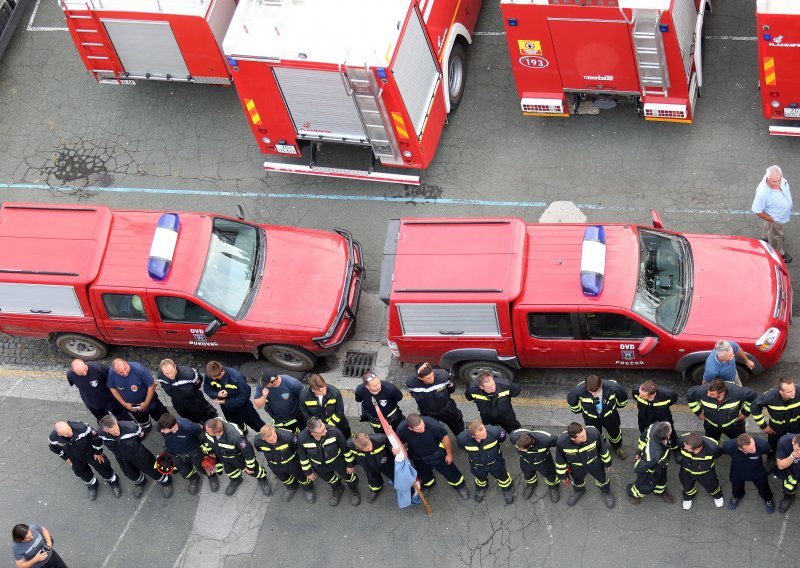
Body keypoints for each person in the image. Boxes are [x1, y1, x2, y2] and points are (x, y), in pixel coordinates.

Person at [395, 413, 470, 499]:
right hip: (418, 458)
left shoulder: (433, 424)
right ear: (410, 428)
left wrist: (449, 454)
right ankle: (428, 484)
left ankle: (460, 486)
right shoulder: (402, 429)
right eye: (418, 429)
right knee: (424, 474)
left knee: (450, 471)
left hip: (437, 454)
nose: (422, 429)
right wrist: (400, 452)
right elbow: (401, 443)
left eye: (423, 426)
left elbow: (445, 438)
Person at [98, 414, 173, 498]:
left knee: (151, 468)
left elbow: (141, 434)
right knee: (130, 473)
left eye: (116, 427)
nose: (116, 431)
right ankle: (140, 482)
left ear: (116, 421)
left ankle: (166, 482)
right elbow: (97, 442)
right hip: (121, 458)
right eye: (112, 430)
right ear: (105, 430)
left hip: (138, 454)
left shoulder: (131, 427)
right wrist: (97, 452)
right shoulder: (101, 434)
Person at [48, 420, 120, 501]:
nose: (70, 433)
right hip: (74, 457)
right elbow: (55, 449)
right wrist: (66, 458)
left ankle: (113, 482)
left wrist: (98, 452)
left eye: (69, 430)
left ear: (68, 425)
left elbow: (96, 438)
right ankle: (92, 485)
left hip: (90, 452)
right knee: (81, 471)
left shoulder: (82, 428)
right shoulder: (53, 439)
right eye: (66, 433)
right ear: (59, 434)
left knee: (103, 465)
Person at [297, 418, 360, 507]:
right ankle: (338, 488)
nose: (325, 431)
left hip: (338, 461)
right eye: (322, 431)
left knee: (349, 476)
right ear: (313, 433)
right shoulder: (302, 438)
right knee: (330, 479)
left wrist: (350, 465)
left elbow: (345, 449)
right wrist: (308, 473)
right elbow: (303, 457)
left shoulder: (334, 432)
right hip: (319, 466)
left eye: (324, 427)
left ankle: (353, 489)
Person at [201, 418, 270, 497]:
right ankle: (236, 480)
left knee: (254, 471)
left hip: (237, 458)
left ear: (217, 433)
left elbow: (248, 452)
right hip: (224, 457)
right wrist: (210, 452)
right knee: (230, 471)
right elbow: (209, 440)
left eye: (208, 432)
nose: (206, 432)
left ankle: (262, 478)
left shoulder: (235, 437)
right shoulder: (211, 424)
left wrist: (250, 467)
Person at [567, 375, 629, 459]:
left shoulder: (613, 387)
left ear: (601, 385)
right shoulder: (578, 391)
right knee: (596, 434)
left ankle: (617, 447)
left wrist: (612, 408)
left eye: (596, 390)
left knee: (615, 432)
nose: (594, 393)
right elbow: (573, 405)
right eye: (590, 391)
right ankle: (601, 447)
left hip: (610, 416)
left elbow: (623, 400)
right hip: (591, 419)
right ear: (586, 387)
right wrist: (584, 412)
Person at [554, 423, 615, 509]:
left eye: (584, 433)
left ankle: (606, 492)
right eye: (581, 437)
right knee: (577, 481)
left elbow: (603, 449)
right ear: (573, 438)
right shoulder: (561, 442)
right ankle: (579, 490)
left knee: (602, 479)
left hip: (594, 463)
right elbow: (560, 460)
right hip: (576, 467)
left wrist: (608, 463)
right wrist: (563, 475)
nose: (585, 437)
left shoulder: (593, 433)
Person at [158, 412, 219, 494]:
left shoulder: (187, 426)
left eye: (164, 430)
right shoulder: (161, 426)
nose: (161, 431)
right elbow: (160, 429)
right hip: (174, 454)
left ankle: (212, 476)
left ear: (173, 427)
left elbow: (200, 428)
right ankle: (194, 479)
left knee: (203, 466)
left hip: (194, 452)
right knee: (184, 470)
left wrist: (208, 450)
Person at [456, 420, 515, 504]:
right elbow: (463, 447)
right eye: (482, 435)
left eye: (484, 431)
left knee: (503, 476)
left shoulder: (496, 432)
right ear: (473, 436)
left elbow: (502, 439)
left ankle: (507, 489)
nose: (485, 434)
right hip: (477, 465)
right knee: (480, 478)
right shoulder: (462, 439)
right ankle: (481, 488)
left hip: (495, 463)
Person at [254, 424, 316, 503]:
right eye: (270, 440)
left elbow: (299, 449)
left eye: (274, 437)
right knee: (285, 479)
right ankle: (291, 487)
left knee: (302, 477)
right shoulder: (257, 441)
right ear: (263, 438)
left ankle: (308, 489)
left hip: (292, 463)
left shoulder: (288, 436)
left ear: (274, 430)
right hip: (275, 465)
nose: (274, 441)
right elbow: (259, 449)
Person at [106, 358, 168, 434]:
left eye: (125, 369)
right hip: (133, 406)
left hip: (151, 401)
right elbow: (112, 388)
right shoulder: (112, 373)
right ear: (115, 371)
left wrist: (146, 403)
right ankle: (147, 426)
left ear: (126, 363)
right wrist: (124, 404)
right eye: (121, 372)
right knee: (142, 419)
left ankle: (167, 428)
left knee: (161, 416)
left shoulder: (139, 370)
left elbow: (151, 386)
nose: (125, 373)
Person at [203, 361, 265, 435]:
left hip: (243, 407)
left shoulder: (236, 378)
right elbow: (207, 389)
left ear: (222, 372)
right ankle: (243, 433)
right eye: (212, 378)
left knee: (255, 423)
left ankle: (264, 435)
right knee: (234, 423)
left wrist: (226, 402)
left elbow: (244, 396)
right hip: (226, 408)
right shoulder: (210, 375)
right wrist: (217, 394)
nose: (213, 379)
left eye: (215, 378)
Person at [687, 379, 757, 441]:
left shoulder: (737, 392)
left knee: (739, 441)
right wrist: (698, 412)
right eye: (708, 392)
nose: (708, 395)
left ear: (721, 393)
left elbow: (752, 397)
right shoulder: (701, 391)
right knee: (712, 443)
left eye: (711, 394)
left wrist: (745, 413)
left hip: (734, 426)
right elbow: (690, 396)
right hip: (711, 426)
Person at [406, 362, 464, 435]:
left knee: (457, 423)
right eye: (428, 378)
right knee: (430, 430)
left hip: (446, 408)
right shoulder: (412, 384)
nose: (432, 379)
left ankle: (461, 437)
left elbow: (451, 388)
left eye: (432, 375)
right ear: (420, 378)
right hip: (428, 413)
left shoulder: (443, 376)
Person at [721, 433, 775, 513]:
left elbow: (768, 451)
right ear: (741, 448)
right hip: (737, 471)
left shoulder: (763, 445)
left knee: (764, 487)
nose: (754, 449)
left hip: (758, 472)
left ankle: (768, 500)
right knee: (736, 486)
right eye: (750, 449)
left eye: (754, 445)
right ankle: (736, 496)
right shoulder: (728, 446)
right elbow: (724, 451)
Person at [751, 377, 800, 460]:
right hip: (777, 426)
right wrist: (764, 426)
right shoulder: (769, 397)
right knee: (774, 443)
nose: (793, 393)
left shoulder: (798, 391)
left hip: (796, 424)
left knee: (797, 441)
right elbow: (755, 407)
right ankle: (772, 457)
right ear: (781, 392)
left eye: (793, 389)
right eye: (789, 392)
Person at [752, 164, 793, 263]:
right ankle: (778, 253)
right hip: (777, 218)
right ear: (767, 178)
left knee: (768, 226)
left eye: (779, 179)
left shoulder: (779, 178)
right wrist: (771, 219)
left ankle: (765, 238)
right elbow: (757, 210)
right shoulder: (763, 193)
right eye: (774, 181)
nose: (778, 183)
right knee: (777, 236)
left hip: (776, 215)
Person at [626, 422, 674, 505]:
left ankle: (660, 491)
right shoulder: (654, 455)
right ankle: (633, 494)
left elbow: (642, 438)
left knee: (662, 480)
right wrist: (638, 459)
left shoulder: (653, 426)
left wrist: (640, 451)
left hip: (661, 465)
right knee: (643, 486)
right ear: (667, 437)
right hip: (650, 470)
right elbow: (640, 467)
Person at [156, 359, 217, 424]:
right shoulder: (161, 376)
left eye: (171, 372)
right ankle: (196, 425)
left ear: (175, 367)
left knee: (205, 413)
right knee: (187, 418)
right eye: (166, 373)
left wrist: (192, 392)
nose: (170, 375)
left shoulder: (189, 374)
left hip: (194, 399)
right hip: (178, 403)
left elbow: (198, 383)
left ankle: (213, 422)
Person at [509, 429, 560, 502]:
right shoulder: (514, 436)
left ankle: (553, 487)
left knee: (550, 475)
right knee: (528, 475)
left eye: (522, 449)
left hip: (544, 462)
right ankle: (531, 484)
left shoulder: (546, 439)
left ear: (531, 445)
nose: (519, 450)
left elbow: (560, 443)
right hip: (525, 461)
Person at [677, 432, 724, 510]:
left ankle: (717, 496)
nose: (684, 447)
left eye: (686, 447)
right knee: (687, 486)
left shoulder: (712, 449)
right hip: (686, 471)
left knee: (712, 485)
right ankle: (688, 497)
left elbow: (718, 454)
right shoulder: (682, 441)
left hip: (705, 473)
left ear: (696, 448)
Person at [348, 432, 395, 503]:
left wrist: (395, 450)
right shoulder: (350, 445)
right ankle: (375, 488)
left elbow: (394, 443)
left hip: (384, 462)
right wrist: (350, 465)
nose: (369, 448)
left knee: (392, 473)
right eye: (364, 448)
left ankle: (398, 484)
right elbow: (348, 454)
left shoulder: (380, 438)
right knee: (372, 477)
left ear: (368, 437)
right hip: (367, 464)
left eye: (369, 444)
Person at [300, 374, 351, 439]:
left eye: (325, 388)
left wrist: (329, 426)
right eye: (321, 391)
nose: (325, 391)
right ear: (313, 390)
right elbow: (305, 412)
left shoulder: (334, 392)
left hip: (338, 424)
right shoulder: (304, 396)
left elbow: (340, 411)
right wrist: (318, 425)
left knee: (344, 438)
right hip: (319, 427)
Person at [632, 380, 678, 447]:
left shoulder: (667, 395)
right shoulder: (636, 391)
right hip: (644, 418)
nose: (639, 395)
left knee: (670, 434)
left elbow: (673, 400)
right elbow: (635, 396)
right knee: (644, 432)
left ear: (652, 395)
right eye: (639, 393)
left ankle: (674, 448)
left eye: (642, 395)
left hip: (662, 419)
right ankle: (649, 445)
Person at [775, 432, 800, 513]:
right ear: (793, 441)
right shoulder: (783, 442)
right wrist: (792, 456)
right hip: (791, 472)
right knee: (788, 488)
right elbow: (780, 465)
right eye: (797, 450)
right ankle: (789, 497)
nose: (799, 453)